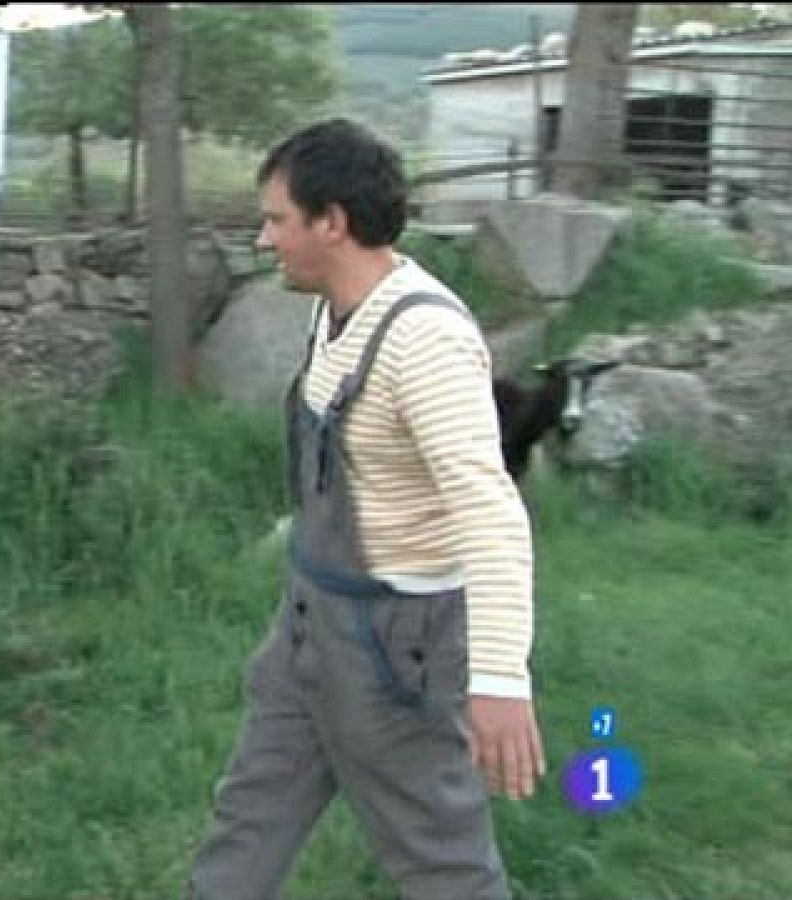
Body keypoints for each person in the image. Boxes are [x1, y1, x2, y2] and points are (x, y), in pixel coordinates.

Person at [186, 117, 545, 900]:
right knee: (247, 821)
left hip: (395, 652)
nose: (264, 238)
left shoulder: (424, 340)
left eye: (278, 219)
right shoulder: (333, 309)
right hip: (308, 621)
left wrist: (498, 678)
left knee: (442, 862)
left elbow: (490, 513)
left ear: (333, 222)